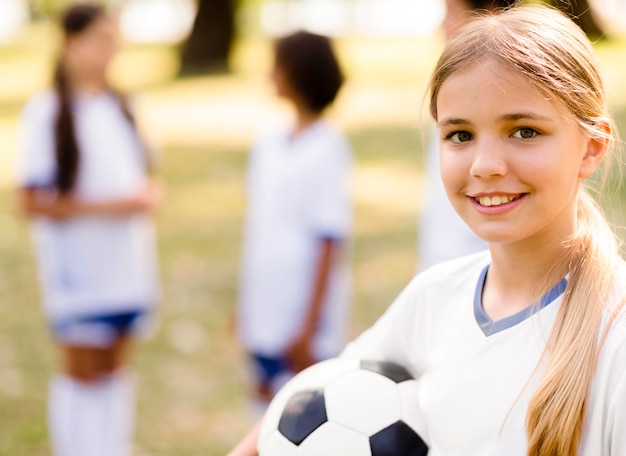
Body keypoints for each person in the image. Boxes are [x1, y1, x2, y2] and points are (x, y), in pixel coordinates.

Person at [229, 5, 626, 455]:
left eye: (524, 131)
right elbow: (298, 414)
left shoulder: (615, 338)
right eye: (460, 135)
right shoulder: (432, 301)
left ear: (592, 148)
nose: (486, 166)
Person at [16, 5, 160, 455]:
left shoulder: (123, 104)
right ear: (71, 44)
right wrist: (116, 206)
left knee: (116, 374)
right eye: (99, 40)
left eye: (112, 41)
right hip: (79, 271)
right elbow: (32, 200)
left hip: (127, 266)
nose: (107, 52)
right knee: (82, 376)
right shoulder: (48, 112)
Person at [237, 31, 353, 414]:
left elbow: (329, 239)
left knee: (302, 423)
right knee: (261, 414)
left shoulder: (328, 146)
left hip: (302, 316)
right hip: (264, 305)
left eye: (277, 65)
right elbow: (261, 226)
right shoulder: (268, 138)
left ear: (297, 74)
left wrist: (308, 327)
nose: (270, 73)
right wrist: (245, 305)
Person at [417, 0, 517, 271]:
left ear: (491, 15)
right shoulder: (450, 104)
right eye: (460, 135)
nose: (441, 26)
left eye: (451, 13)